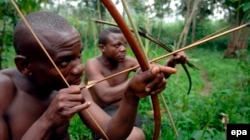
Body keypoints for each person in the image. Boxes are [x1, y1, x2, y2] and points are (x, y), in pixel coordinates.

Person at [0, 11, 177, 140]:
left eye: (79, 56)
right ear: (25, 65)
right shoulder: (4, 90)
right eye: (64, 61)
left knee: (135, 136)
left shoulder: (69, 84)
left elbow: (110, 133)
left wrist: (131, 95)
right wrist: (48, 120)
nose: (79, 69)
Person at [84, 27, 188, 139]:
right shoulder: (93, 64)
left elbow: (154, 74)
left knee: (162, 128)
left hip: (124, 111)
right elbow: (106, 96)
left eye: (125, 44)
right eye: (117, 45)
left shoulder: (127, 61)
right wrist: (134, 82)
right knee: (136, 135)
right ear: (102, 47)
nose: (123, 49)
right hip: (103, 115)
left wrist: (172, 62)